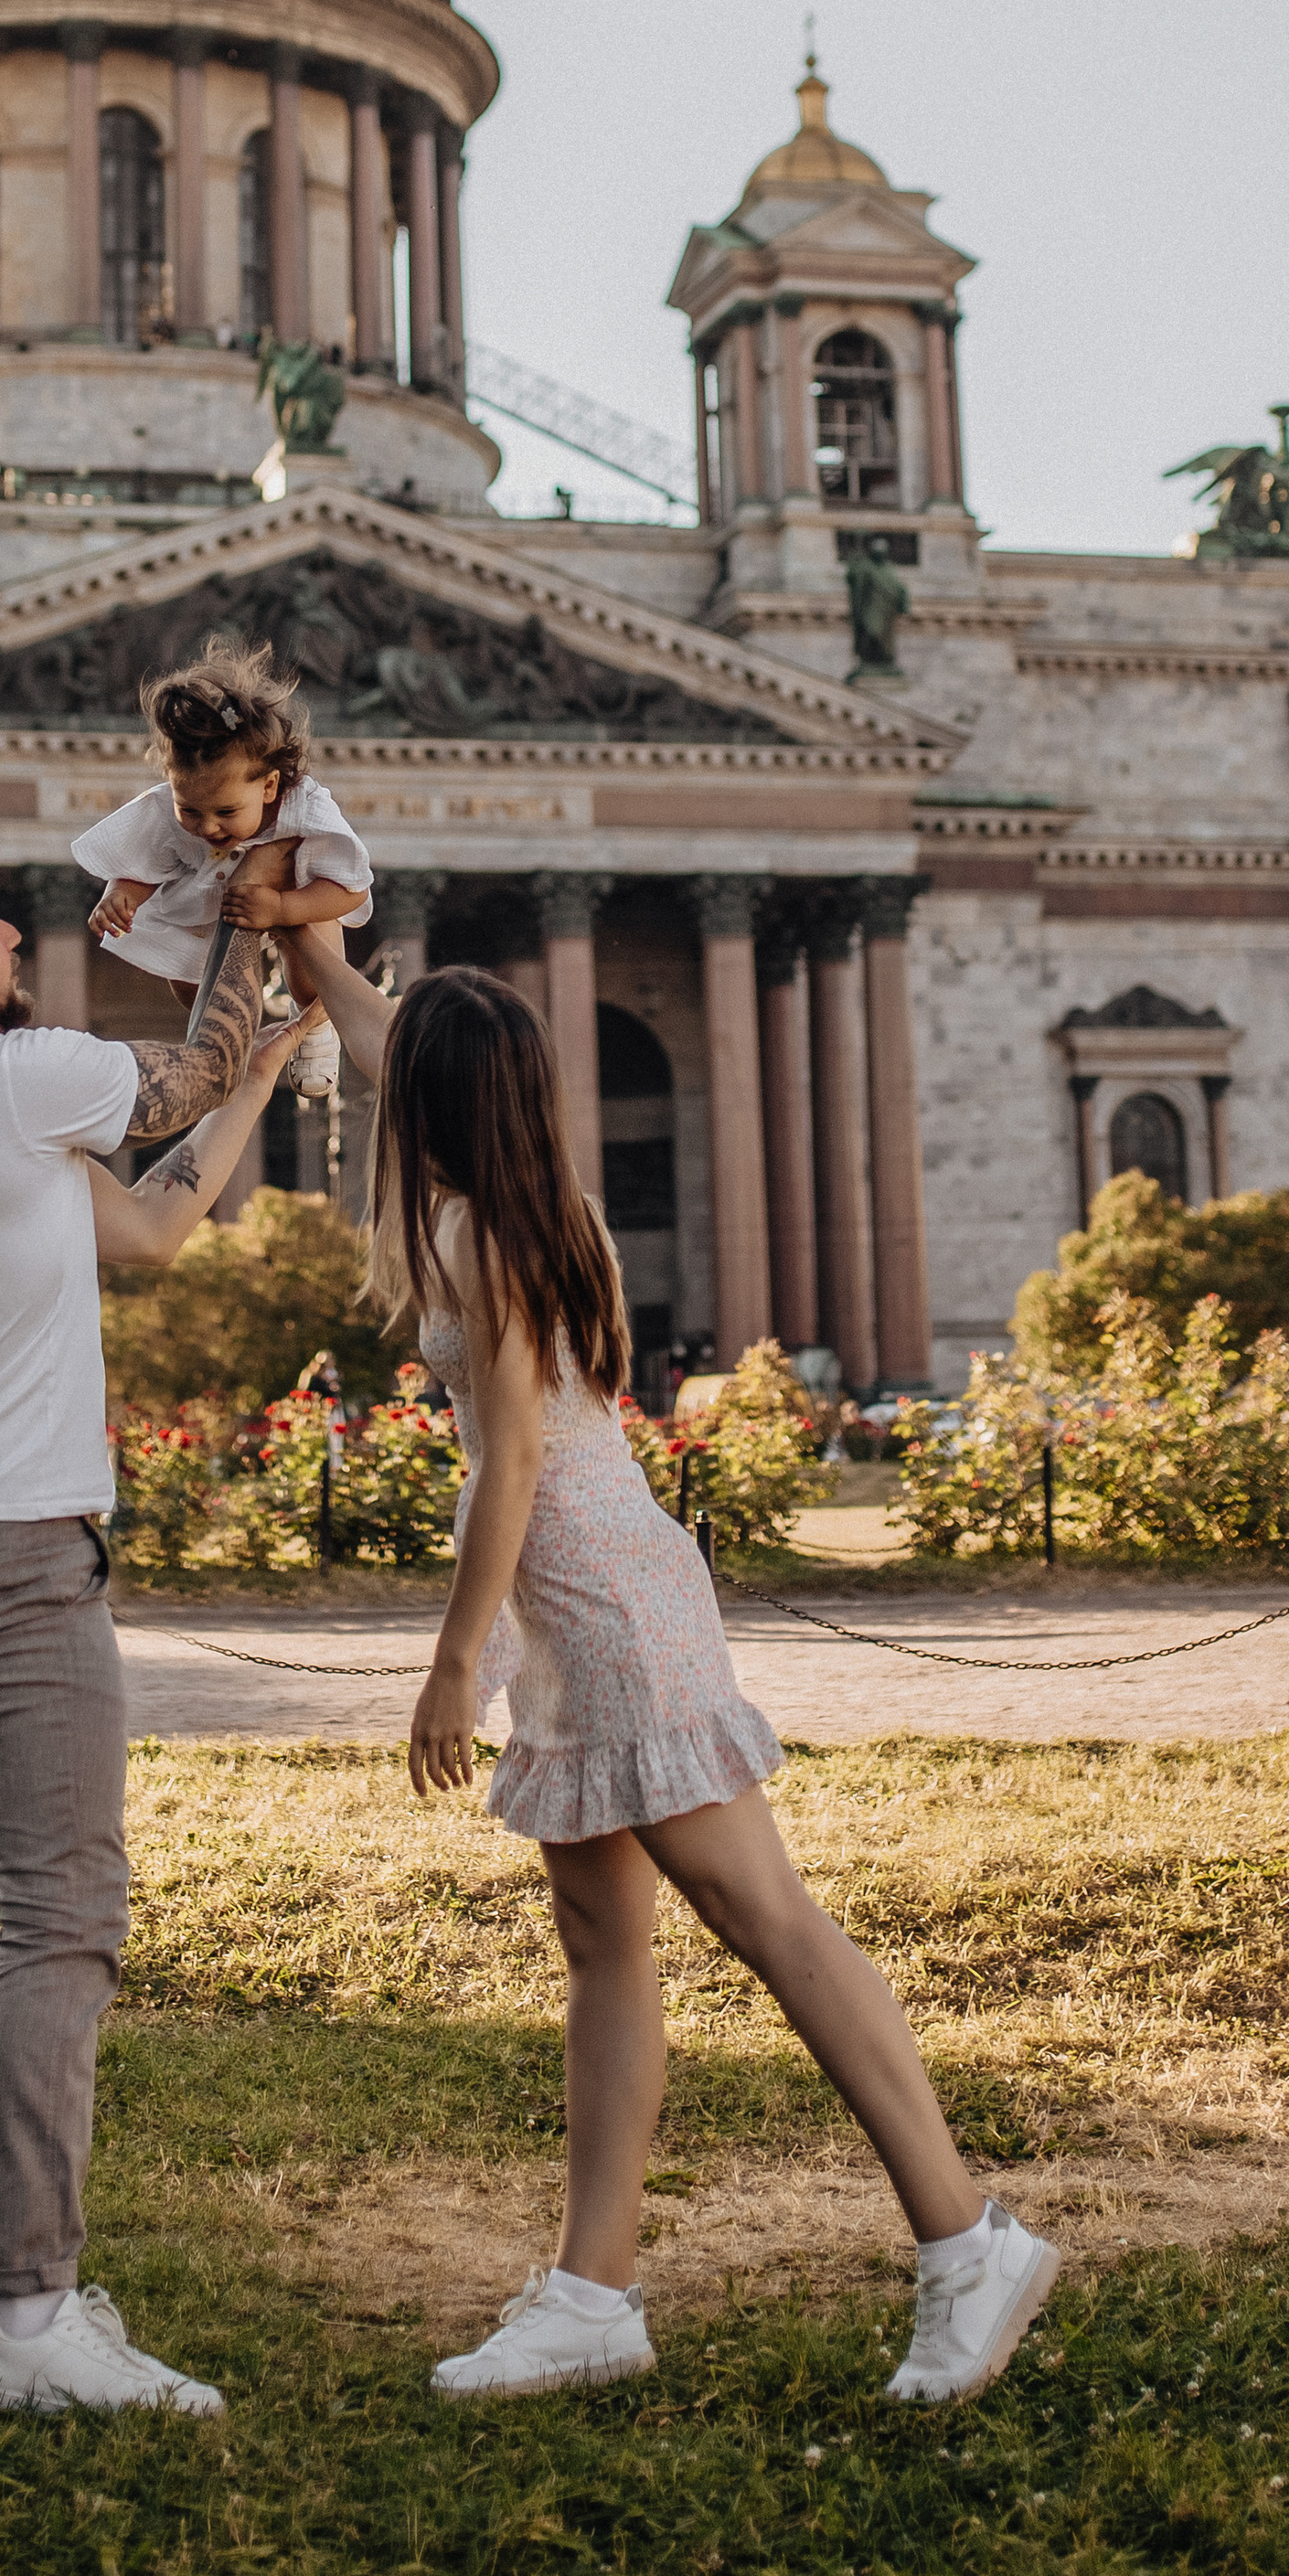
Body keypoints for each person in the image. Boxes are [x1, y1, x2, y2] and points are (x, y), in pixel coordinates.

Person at [284, 921, 1060, 2408]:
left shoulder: (483, 1236)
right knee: (604, 1943)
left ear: (434, 1105)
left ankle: (970, 2239)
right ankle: (594, 2295)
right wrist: (309, 943)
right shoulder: (524, 1201)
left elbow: (512, 1467)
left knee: (771, 1921)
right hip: (590, 1603)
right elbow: (393, 1040)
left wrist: (451, 1664)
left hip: (606, 1606)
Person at [0, 850, 319, 2418]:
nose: (17, 934)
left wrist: (266, 1072)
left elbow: (152, 1227)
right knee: (64, 1916)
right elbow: (186, 1070)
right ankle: (27, 2318)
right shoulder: (5, 1076)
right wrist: (249, 910)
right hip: (9, 1563)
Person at [72, 641, 368, 1096]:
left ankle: (313, 1026)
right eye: (189, 811)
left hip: (295, 899)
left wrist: (283, 909)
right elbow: (140, 862)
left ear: (269, 786)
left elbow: (350, 889)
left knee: (314, 975)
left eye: (226, 812)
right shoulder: (166, 811)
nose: (207, 827)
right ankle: (236, 1049)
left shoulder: (305, 811)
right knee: (191, 986)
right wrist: (119, 896)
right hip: (204, 910)